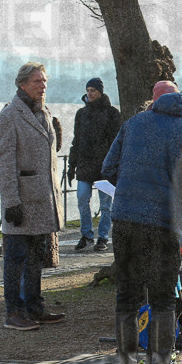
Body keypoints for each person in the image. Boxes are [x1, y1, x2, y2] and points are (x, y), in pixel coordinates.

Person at [102, 92, 182, 364]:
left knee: (127, 299)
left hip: (123, 220)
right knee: (164, 300)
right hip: (162, 224)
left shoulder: (134, 123)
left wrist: (134, 188)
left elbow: (109, 169)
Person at [0, 62, 66, 331]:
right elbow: (5, 163)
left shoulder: (44, 113)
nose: (43, 85)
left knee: (36, 258)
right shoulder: (9, 116)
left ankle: (35, 306)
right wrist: (11, 202)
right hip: (22, 202)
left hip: (43, 201)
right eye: (37, 81)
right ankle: (13, 311)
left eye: (45, 81)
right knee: (15, 261)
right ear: (22, 84)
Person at [67, 77, 121, 252]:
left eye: (93, 90)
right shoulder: (81, 114)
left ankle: (103, 237)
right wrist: (71, 166)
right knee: (82, 199)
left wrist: (114, 165)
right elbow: (76, 141)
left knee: (106, 205)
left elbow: (116, 142)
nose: (89, 93)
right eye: (88, 90)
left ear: (100, 92)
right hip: (85, 164)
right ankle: (87, 235)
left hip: (105, 166)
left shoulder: (112, 114)